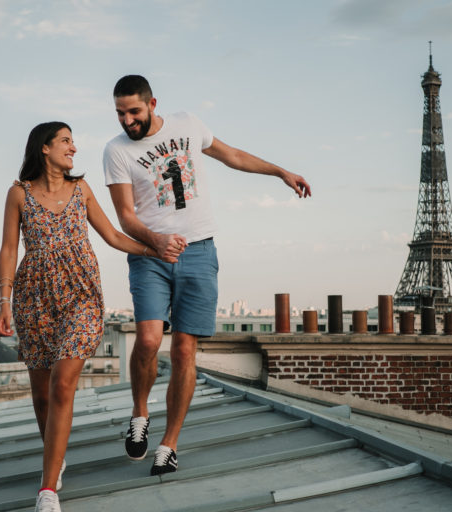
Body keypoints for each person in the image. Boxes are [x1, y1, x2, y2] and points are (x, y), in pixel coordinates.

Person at [102, 75, 311, 476]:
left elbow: (232, 155)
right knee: (147, 339)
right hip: (150, 254)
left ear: (152, 104)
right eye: (120, 113)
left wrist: (280, 172)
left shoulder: (187, 123)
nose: (127, 121)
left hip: (199, 253)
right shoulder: (115, 151)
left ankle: (169, 444)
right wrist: (157, 241)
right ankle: (140, 413)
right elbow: (126, 217)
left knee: (184, 351)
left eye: (134, 112)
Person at [0, 121, 158, 512]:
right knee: (41, 395)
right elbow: (8, 248)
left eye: (72, 141)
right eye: (66, 141)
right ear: (44, 148)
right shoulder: (19, 194)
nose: (73, 148)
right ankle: (56, 457)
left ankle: (47, 490)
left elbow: (114, 236)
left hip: (81, 296)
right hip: (34, 300)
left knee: (63, 385)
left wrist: (155, 250)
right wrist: (4, 301)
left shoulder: (81, 189)